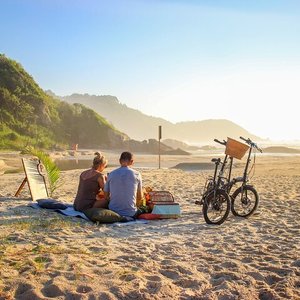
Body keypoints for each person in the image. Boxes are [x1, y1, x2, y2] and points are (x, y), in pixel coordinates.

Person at [104, 151, 143, 218]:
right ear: (132, 161)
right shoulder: (137, 174)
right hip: (131, 213)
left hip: (113, 212)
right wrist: (136, 206)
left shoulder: (111, 174)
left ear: (119, 161)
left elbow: (106, 195)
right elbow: (140, 197)